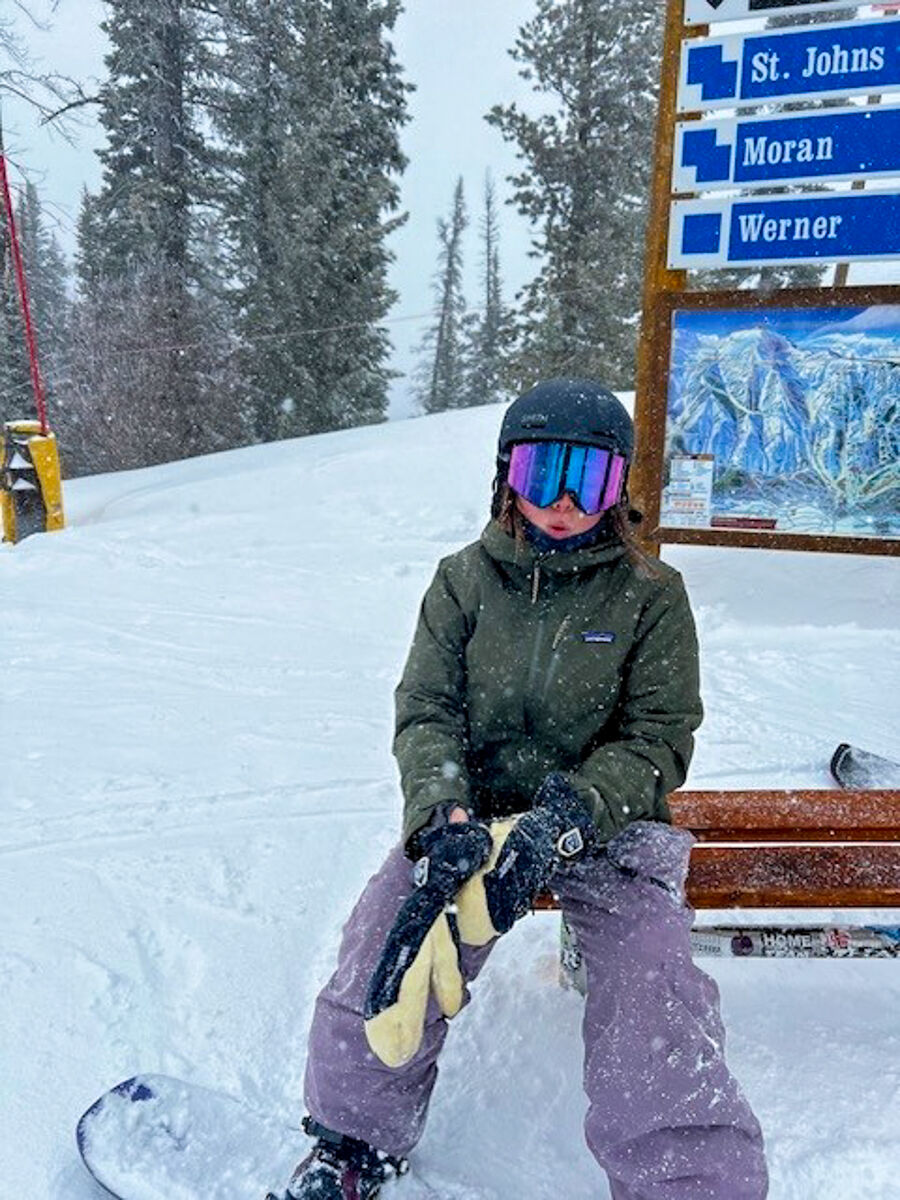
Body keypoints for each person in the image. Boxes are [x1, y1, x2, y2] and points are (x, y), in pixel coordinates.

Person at [269, 380, 768, 1200]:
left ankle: (688, 1180)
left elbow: (658, 737)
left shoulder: (650, 596)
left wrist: (573, 812)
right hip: (480, 820)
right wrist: (443, 816)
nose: (565, 502)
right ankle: (353, 1143)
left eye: (590, 479)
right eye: (544, 475)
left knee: (652, 979)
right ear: (508, 476)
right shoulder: (464, 583)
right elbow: (426, 709)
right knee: (386, 941)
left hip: (606, 829)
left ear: (619, 491)